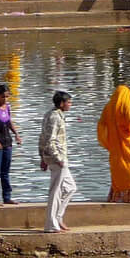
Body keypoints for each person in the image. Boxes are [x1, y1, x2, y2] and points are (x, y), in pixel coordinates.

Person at [98, 85, 130, 204]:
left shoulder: (108, 107)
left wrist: (108, 140)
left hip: (115, 146)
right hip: (128, 144)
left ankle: (117, 196)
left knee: (118, 169)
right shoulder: (125, 104)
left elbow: (101, 125)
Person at [40, 90, 76, 234]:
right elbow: (49, 140)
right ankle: (51, 225)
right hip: (58, 159)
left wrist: (42, 157)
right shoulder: (54, 117)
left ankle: (58, 218)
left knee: (71, 188)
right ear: (61, 104)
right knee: (55, 192)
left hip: (57, 158)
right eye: (68, 102)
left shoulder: (54, 115)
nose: (70, 105)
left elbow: (42, 137)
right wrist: (57, 158)